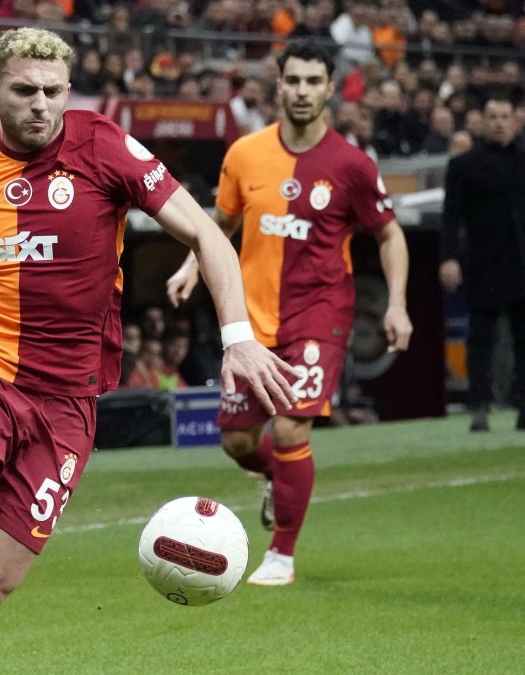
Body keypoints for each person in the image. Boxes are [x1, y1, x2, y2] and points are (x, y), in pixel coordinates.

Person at [0, 28, 295, 675]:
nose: (41, 105)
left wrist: (238, 338)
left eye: (54, 92)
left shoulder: (104, 146)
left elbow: (205, 233)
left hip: (68, 398)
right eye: (25, 91)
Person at [166, 40, 413, 586]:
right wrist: (189, 266)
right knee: (237, 443)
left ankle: (281, 555)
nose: (302, 91)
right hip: (251, 321)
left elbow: (390, 235)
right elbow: (219, 226)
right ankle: (280, 483)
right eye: (293, 80)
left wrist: (396, 304)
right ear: (278, 85)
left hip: (319, 313)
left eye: (312, 81)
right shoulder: (244, 154)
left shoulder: (351, 165)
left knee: (289, 425)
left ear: (330, 88)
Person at [440, 95, 525, 431]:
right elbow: (451, 217)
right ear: (482, 120)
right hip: (485, 261)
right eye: (492, 116)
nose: (498, 122)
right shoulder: (464, 165)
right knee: (481, 337)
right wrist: (449, 257)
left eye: (504, 116)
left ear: (514, 121)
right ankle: (479, 406)